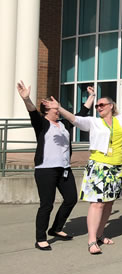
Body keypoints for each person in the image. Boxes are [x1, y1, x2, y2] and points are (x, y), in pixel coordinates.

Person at [45, 94, 122, 255]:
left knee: (109, 203)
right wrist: (59, 108)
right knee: (97, 203)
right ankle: (91, 240)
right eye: (97, 106)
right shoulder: (94, 122)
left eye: (102, 105)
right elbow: (75, 119)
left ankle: (100, 234)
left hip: (118, 166)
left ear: (111, 106)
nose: (99, 108)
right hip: (98, 166)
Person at [17, 81, 94, 250]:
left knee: (71, 199)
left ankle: (56, 228)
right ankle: (40, 238)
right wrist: (26, 99)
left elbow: (81, 114)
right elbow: (32, 112)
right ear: (47, 110)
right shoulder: (42, 124)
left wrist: (91, 97)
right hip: (46, 169)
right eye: (54, 108)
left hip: (64, 168)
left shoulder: (64, 125)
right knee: (47, 204)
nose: (57, 109)